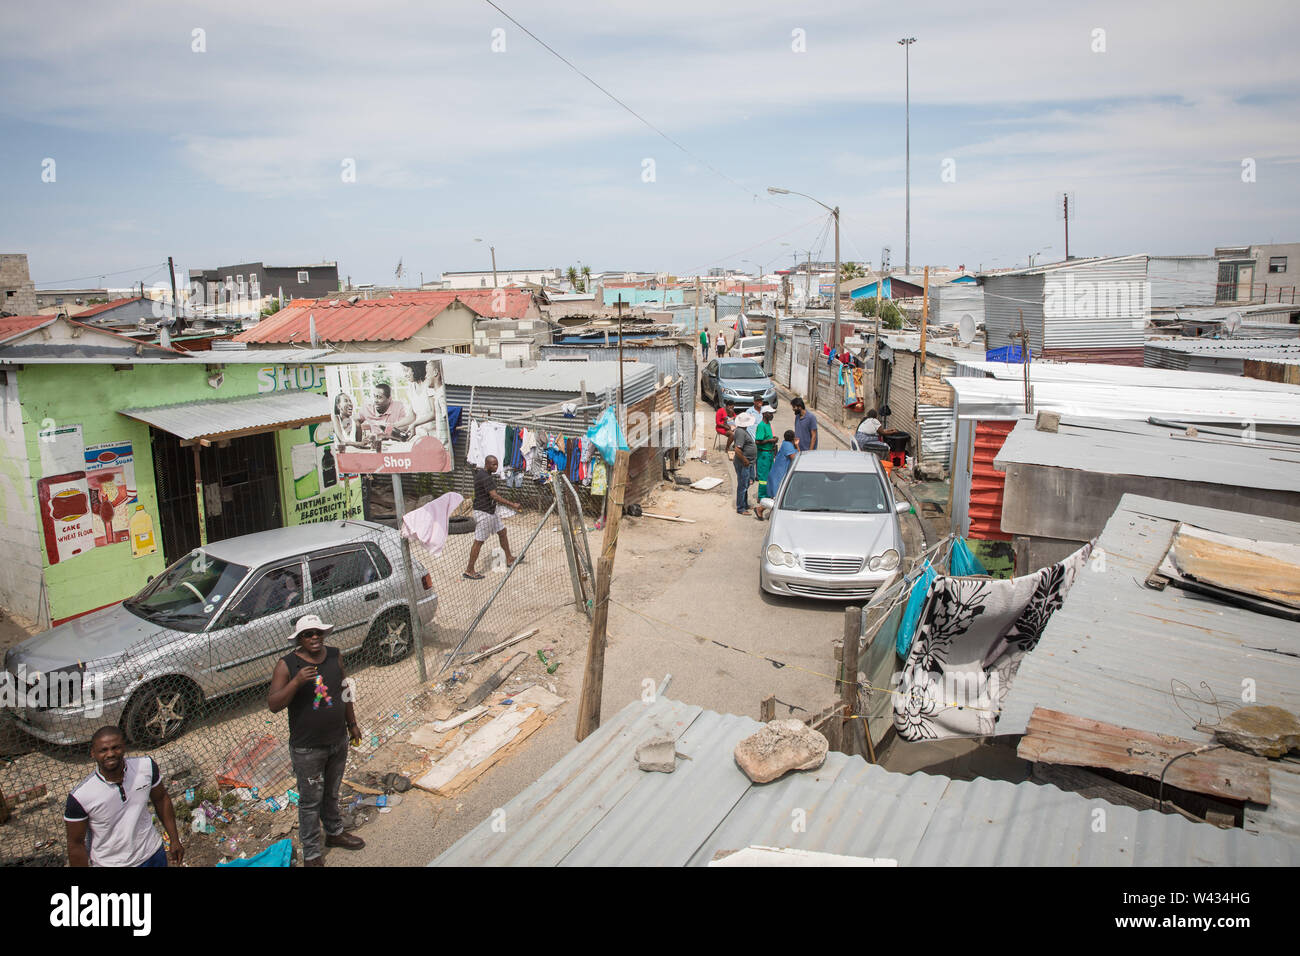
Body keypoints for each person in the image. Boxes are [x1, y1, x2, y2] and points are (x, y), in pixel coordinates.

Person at [268, 614, 365, 867]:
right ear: (299, 640)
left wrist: (352, 723)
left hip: (337, 739)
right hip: (307, 747)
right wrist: (297, 681)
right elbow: (274, 704)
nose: (314, 638)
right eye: (308, 634)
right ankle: (311, 853)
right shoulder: (287, 665)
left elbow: (344, 690)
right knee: (310, 801)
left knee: (331, 793)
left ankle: (334, 833)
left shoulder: (334, 655)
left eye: (317, 633)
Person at [65, 726, 183, 867]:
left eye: (116, 747)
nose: (110, 754)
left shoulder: (146, 767)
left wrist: (174, 839)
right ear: (93, 753)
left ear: (124, 747)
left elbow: (161, 799)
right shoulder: (80, 796)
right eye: (103, 750)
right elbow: (75, 844)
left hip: (153, 854)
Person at [464, 455, 522, 579]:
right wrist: (513, 505)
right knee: (479, 541)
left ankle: (509, 558)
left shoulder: (482, 474)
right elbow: (494, 496)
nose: (496, 467)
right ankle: (469, 570)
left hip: (491, 511)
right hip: (484, 513)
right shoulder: (486, 478)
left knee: (502, 532)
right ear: (487, 464)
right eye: (493, 465)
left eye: (497, 464)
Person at [359, 382, 411, 449]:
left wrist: (384, 434)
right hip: (376, 445)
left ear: (389, 399)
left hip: (395, 445)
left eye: (379, 397)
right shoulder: (367, 408)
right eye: (374, 396)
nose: (375, 400)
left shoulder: (398, 406)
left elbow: (404, 427)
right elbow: (355, 420)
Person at [753, 406, 777, 518]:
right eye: (770, 413)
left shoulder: (768, 425)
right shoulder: (761, 426)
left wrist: (773, 441)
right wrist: (769, 440)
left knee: (770, 477)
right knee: (763, 478)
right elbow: (758, 441)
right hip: (763, 454)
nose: (772, 415)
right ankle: (762, 498)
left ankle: (767, 496)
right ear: (764, 414)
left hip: (769, 453)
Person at [731, 415, 756, 516]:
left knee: (746, 483)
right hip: (744, 463)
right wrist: (745, 460)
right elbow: (737, 449)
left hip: (748, 462)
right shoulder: (741, 432)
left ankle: (744, 504)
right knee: (742, 485)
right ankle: (740, 508)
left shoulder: (742, 431)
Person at [766, 429, 798, 499]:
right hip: (779, 475)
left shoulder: (785, 443)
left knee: (777, 498)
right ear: (793, 438)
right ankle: (760, 509)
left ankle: (760, 509)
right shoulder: (788, 446)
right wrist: (797, 445)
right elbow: (796, 459)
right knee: (778, 497)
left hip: (777, 474)